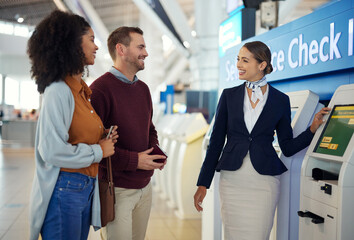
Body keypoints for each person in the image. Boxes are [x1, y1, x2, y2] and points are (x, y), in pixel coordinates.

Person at [193, 41, 330, 240]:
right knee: (232, 235)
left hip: (264, 181)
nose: (238, 65)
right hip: (232, 180)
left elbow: (288, 147)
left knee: (260, 234)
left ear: (262, 65)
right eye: (238, 60)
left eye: (245, 60)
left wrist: (312, 129)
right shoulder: (228, 96)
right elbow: (215, 144)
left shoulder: (280, 100)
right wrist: (202, 184)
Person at [27, 10, 118, 240]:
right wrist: (99, 150)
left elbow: (76, 136)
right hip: (65, 190)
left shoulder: (82, 92)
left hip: (83, 187)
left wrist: (103, 139)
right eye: (91, 39)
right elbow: (51, 150)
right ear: (72, 43)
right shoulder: (59, 90)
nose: (96, 47)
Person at [90, 26, 166, 240]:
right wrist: (135, 161)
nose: (146, 53)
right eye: (140, 46)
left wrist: (154, 153)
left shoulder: (142, 89)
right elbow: (95, 146)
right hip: (117, 191)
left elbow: (149, 128)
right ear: (121, 49)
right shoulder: (99, 90)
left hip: (145, 188)